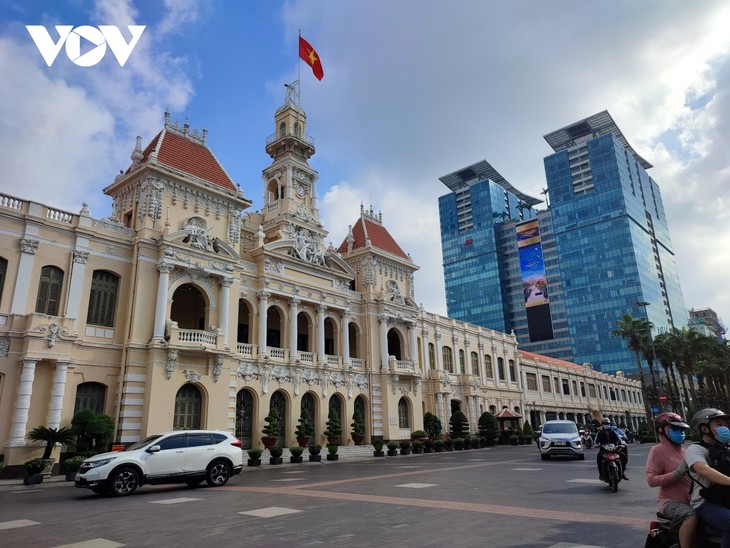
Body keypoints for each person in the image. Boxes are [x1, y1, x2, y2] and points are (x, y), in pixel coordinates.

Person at [646, 412, 697, 548]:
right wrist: (677, 473)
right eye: (675, 429)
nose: (680, 432)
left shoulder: (686, 452)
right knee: (690, 515)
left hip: (693, 499)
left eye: (681, 429)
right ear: (661, 430)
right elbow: (651, 480)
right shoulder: (657, 451)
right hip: (670, 502)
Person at [686, 408, 730, 547]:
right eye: (718, 424)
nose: (724, 428)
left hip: (725, 498)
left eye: (725, 424)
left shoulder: (725, 449)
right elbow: (703, 469)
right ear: (705, 428)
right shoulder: (695, 449)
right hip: (705, 503)